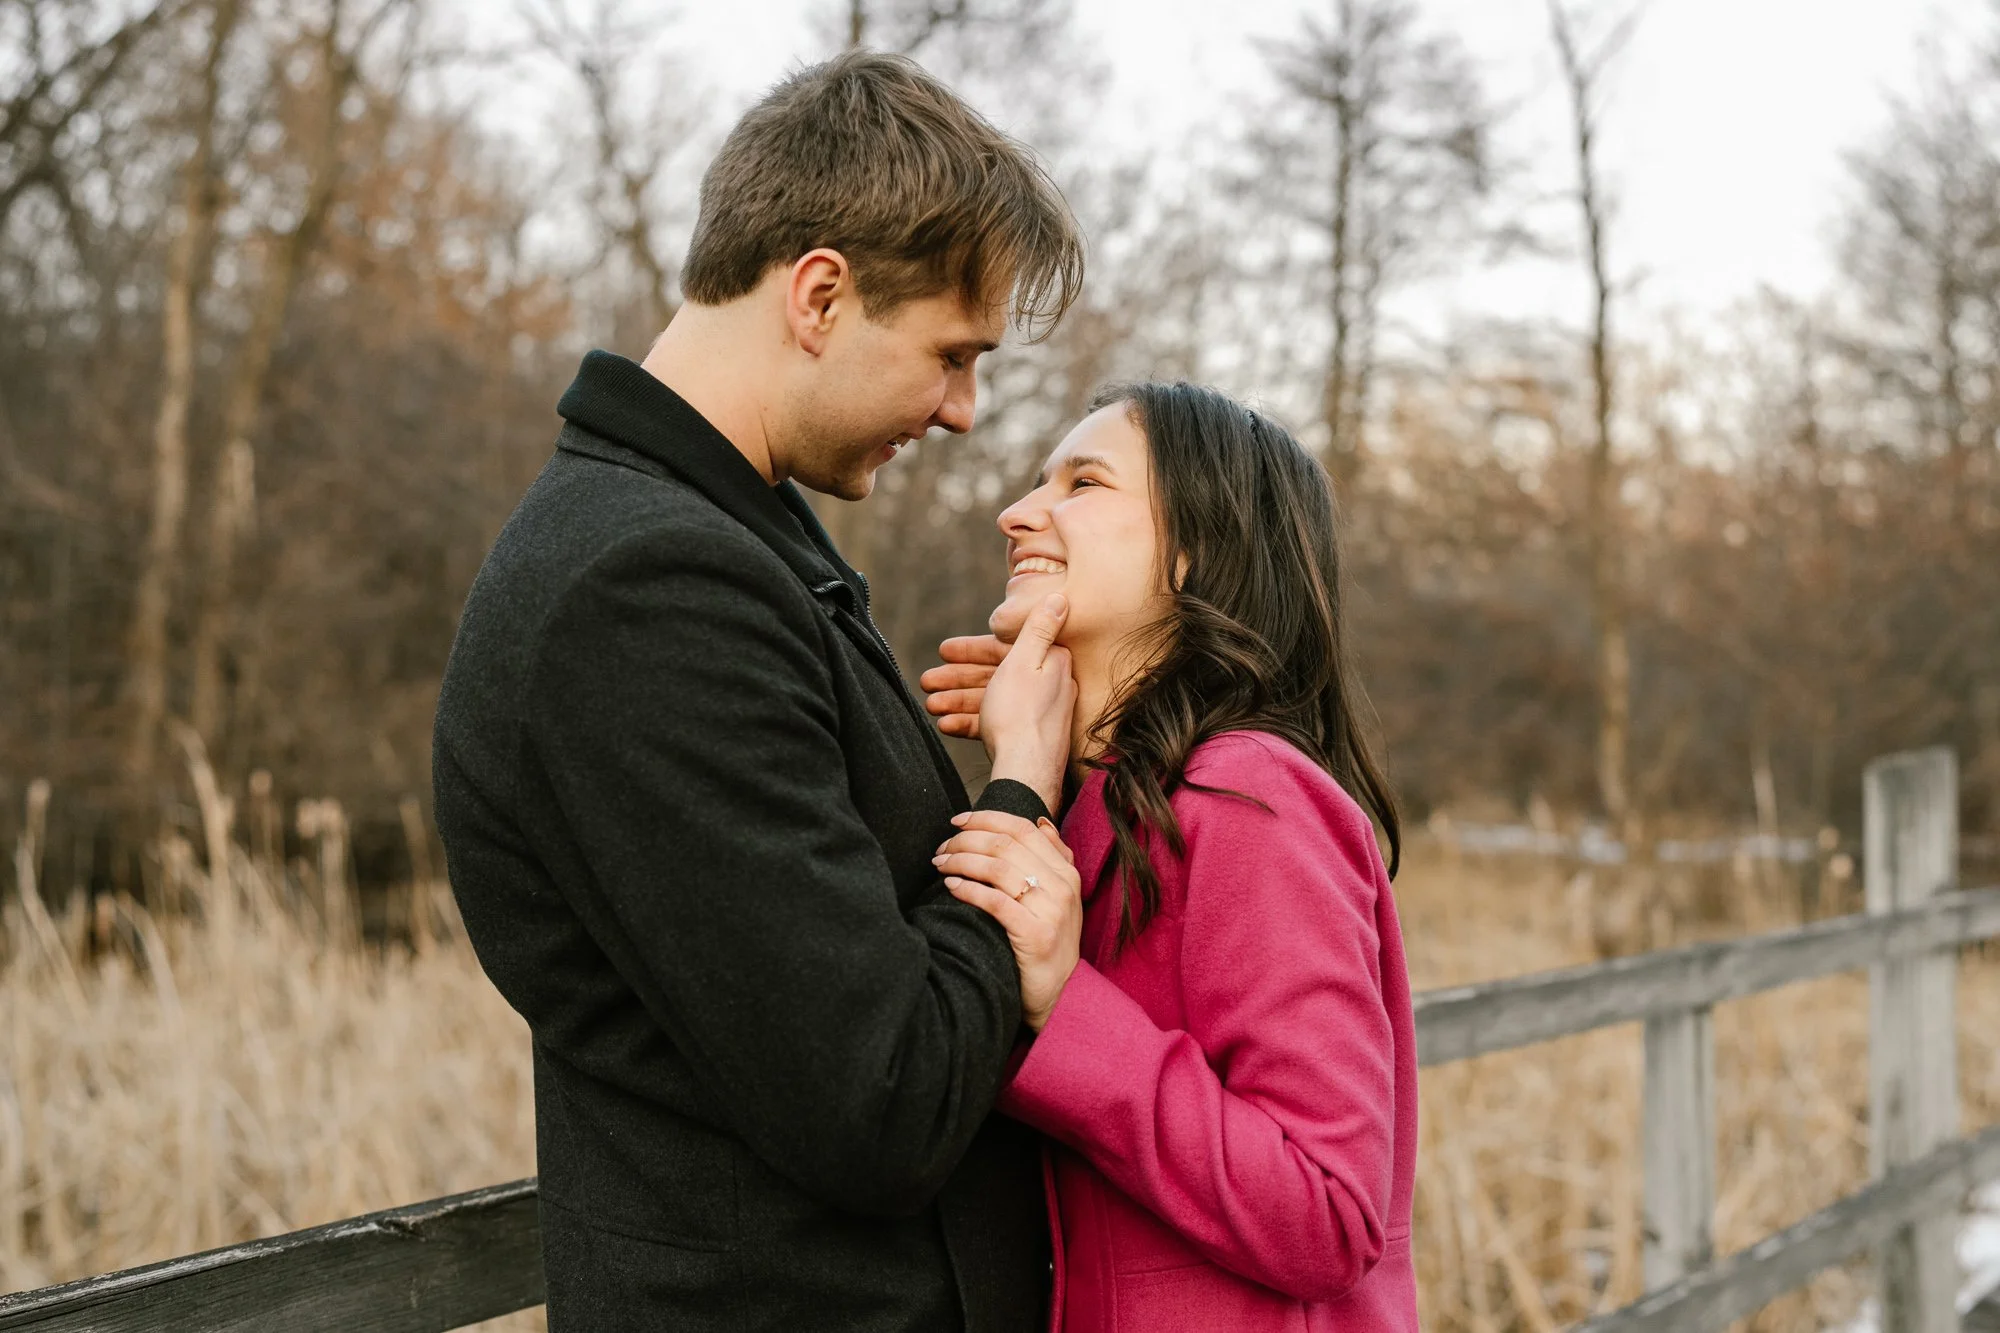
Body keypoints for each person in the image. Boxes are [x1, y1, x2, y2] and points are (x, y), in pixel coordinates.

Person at [431, 50, 1085, 1332]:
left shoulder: (732, 537)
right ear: (821, 295)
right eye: (952, 355)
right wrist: (1019, 790)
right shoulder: (646, 589)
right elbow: (881, 1101)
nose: (962, 410)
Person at [921, 381, 1418, 1332]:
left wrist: (1067, 1008)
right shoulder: (1106, 802)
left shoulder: (1249, 796)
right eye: (1036, 481)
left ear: (1194, 548)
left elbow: (1328, 1209)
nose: (1017, 512)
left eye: (1083, 481)